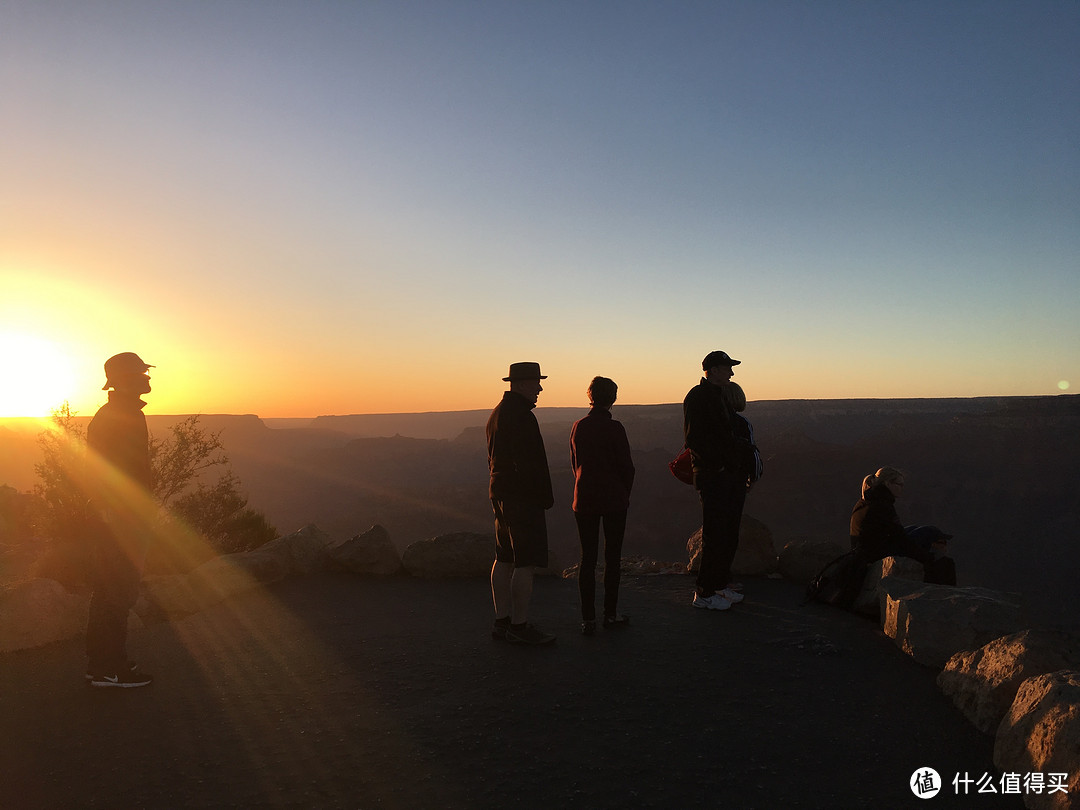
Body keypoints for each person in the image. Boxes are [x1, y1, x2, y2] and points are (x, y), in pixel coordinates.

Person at [84, 352, 157, 688]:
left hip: (124, 515)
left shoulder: (122, 413)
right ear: (125, 380)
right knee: (117, 592)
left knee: (112, 592)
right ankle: (110, 669)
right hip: (121, 519)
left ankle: (103, 667)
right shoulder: (115, 416)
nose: (148, 378)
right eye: (142, 373)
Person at [486, 362, 556, 645]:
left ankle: (501, 621)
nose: (540, 388)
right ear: (523, 384)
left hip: (500, 492)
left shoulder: (497, 414)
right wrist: (542, 497)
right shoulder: (522, 416)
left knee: (503, 557)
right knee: (524, 562)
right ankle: (519, 625)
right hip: (521, 497)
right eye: (536, 383)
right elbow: (531, 464)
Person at [569, 376, 635, 636]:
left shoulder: (578, 426)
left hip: (584, 498)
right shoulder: (615, 428)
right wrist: (623, 494)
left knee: (587, 558)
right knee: (612, 558)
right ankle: (611, 614)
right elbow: (626, 467)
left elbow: (575, 462)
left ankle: (588, 619)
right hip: (613, 500)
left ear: (590, 396)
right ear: (613, 399)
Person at [682, 350, 747, 611]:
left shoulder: (720, 396)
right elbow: (694, 439)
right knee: (715, 533)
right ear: (714, 370)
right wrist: (718, 464)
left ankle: (719, 584)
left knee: (728, 532)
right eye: (727, 368)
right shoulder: (697, 397)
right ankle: (705, 592)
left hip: (729, 474)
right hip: (713, 475)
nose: (731, 373)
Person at [850, 466, 957, 585]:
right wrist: (926, 557)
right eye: (899, 484)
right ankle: (938, 560)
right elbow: (900, 538)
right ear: (888, 483)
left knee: (915, 529)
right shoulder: (882, 505)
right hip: (876, 553)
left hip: (869, 550)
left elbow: (894, 532)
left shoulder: (867, 500)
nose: (902, 488)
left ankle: (937, 555)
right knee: (928, 532)